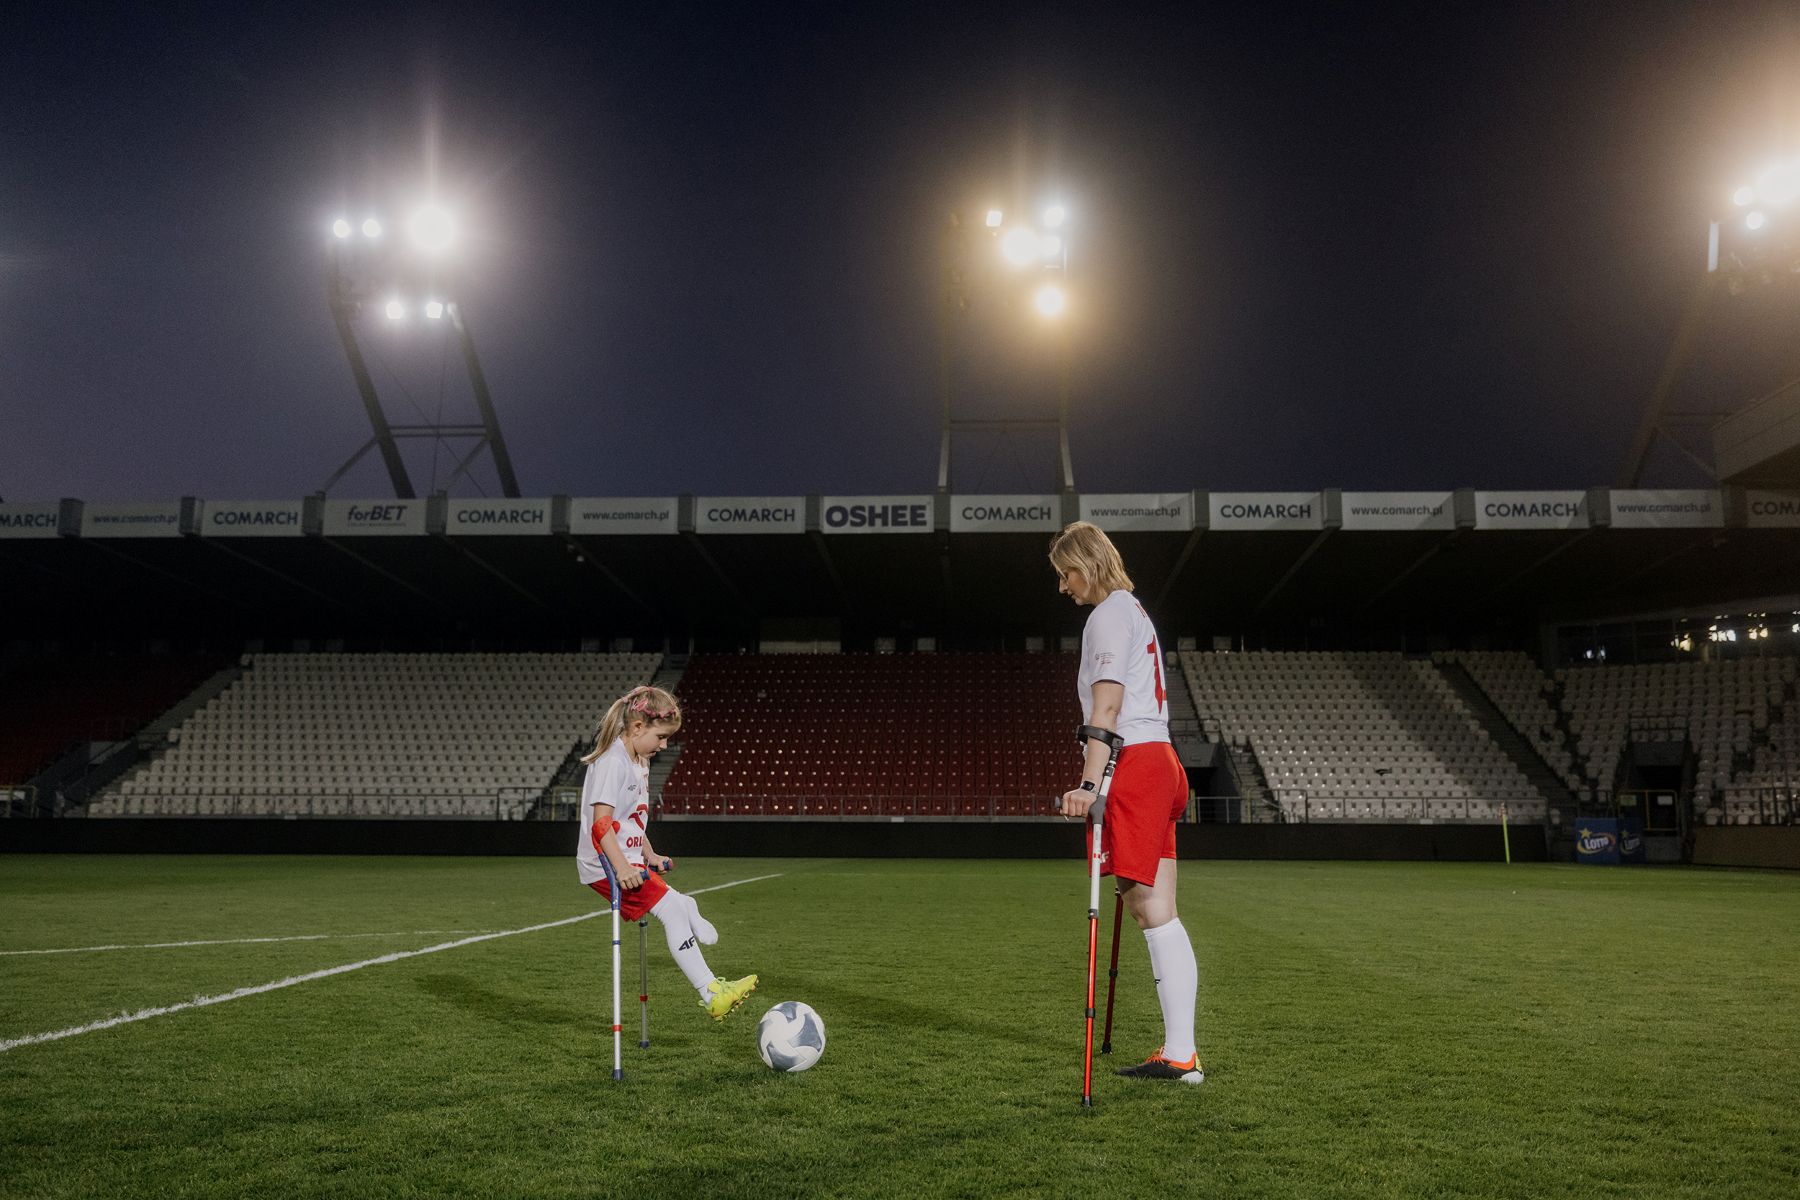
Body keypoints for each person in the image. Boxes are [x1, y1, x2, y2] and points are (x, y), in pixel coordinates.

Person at [1050, 521, 1203, 1084]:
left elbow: (1107, 707)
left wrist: (1089, 784)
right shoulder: (1134, 610)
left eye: (1066, 572)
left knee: (1149, 910)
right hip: (1161, 761)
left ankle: (1182, 1053)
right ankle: (1182, 1054)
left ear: (1087, 564)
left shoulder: (1108, 614)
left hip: (1135, 762)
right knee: (1156, 909)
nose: (1063, 585)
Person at [577, 684, 758, 1021]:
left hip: (628, 860)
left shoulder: (638, 760)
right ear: (637, 727)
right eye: (660, 737)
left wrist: (649, 854)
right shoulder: (613, 761)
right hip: (605, 864)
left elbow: (630, 820)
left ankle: (713, 987)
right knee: (673, 910)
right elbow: (601, 824)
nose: (663, 745)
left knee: (683, 904)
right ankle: (711, 993)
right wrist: (622, 868)